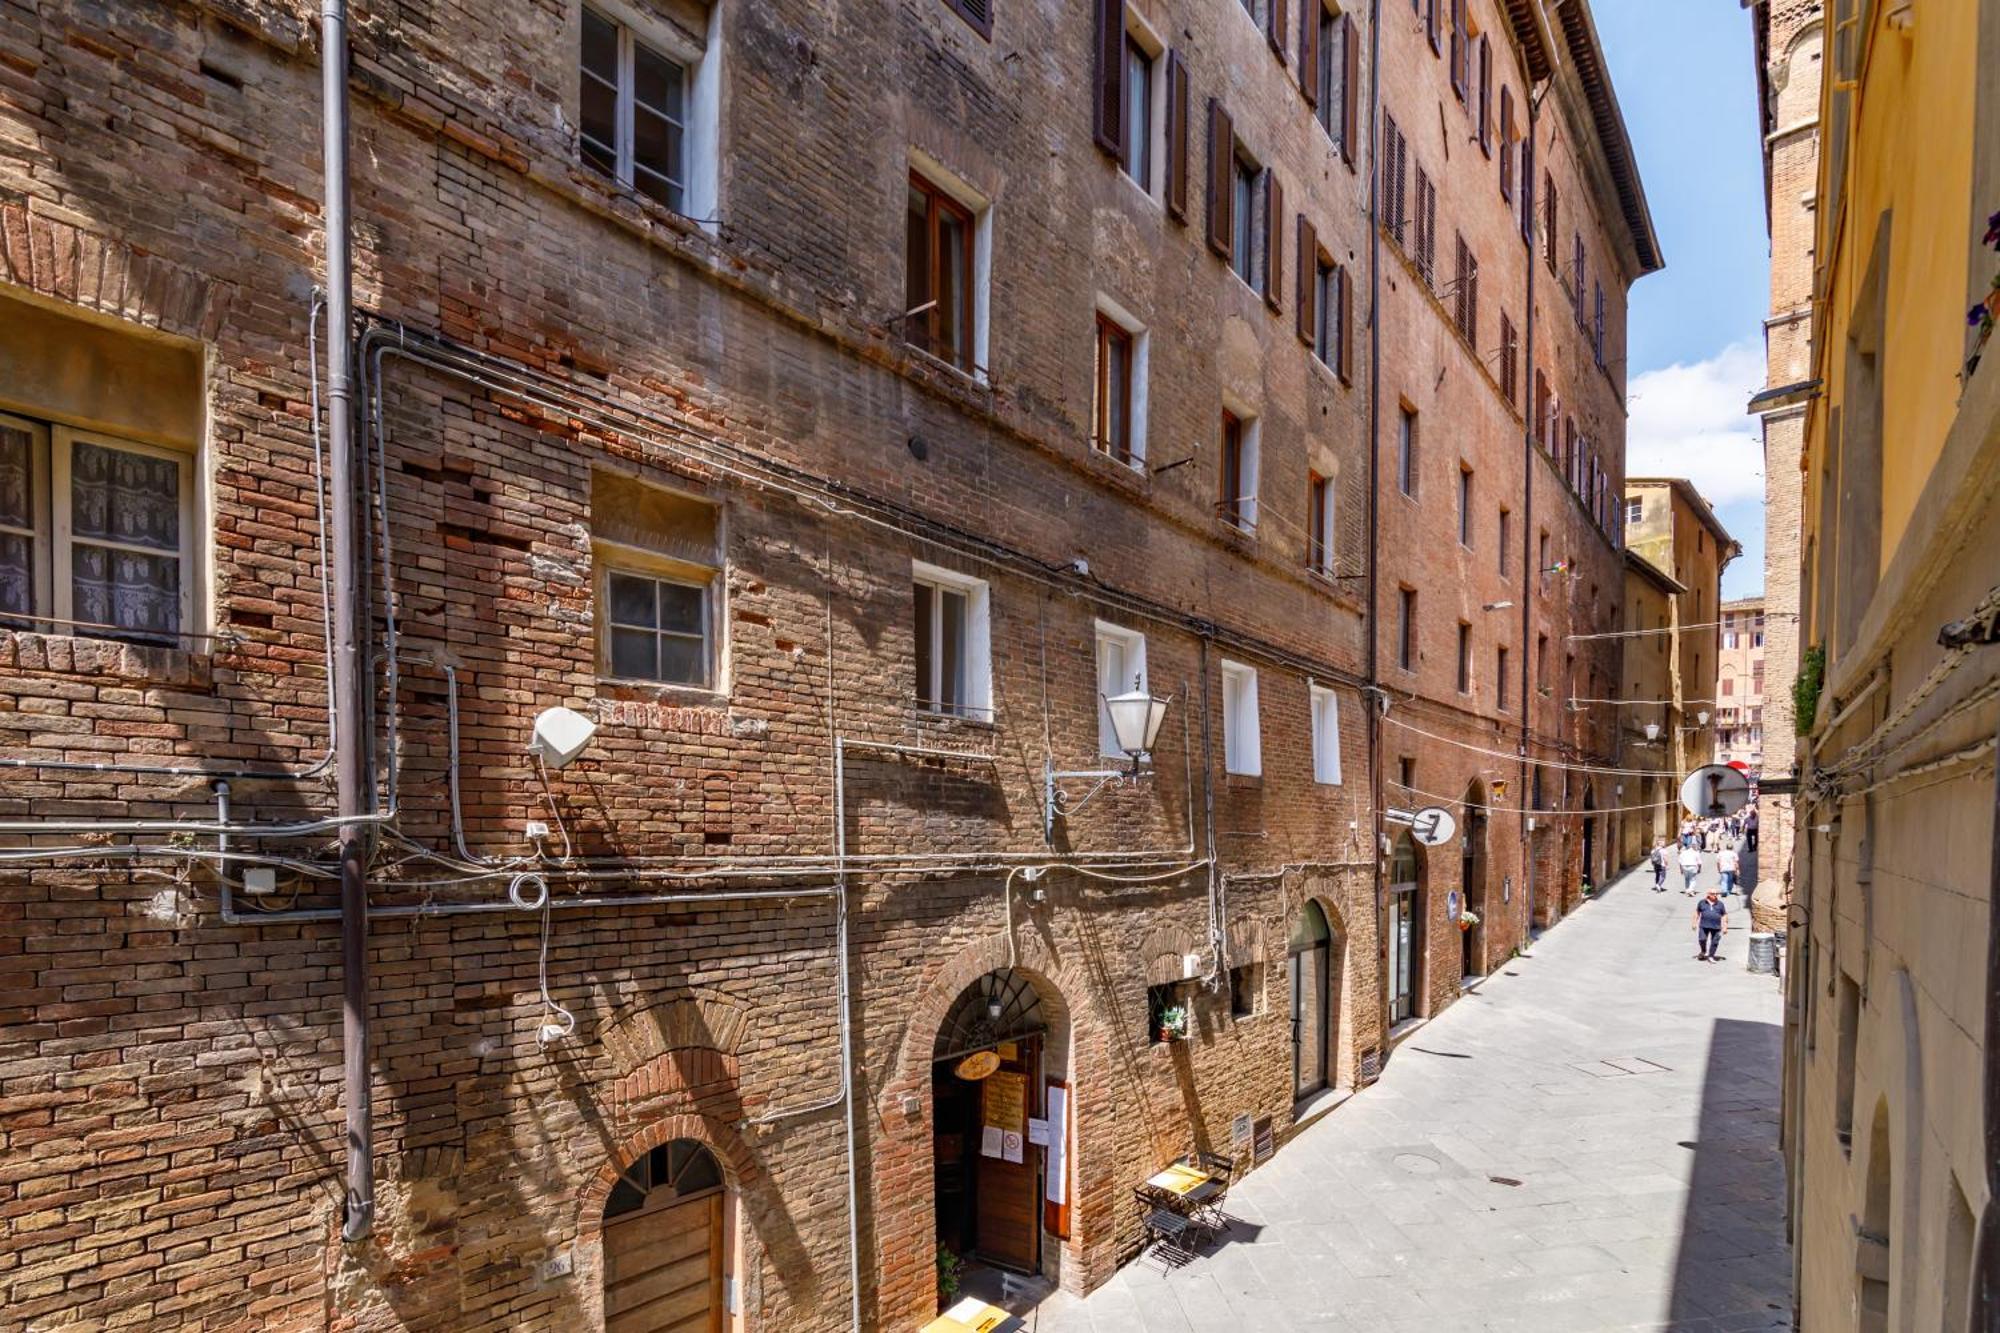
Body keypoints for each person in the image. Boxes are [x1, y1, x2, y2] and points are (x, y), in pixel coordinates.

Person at [1693, 889, 1728, 961]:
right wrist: (1694, 923)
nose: (1715, 895)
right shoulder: (1702, 902)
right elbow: (1697, 912)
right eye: (1713, 893)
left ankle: (1711, 956)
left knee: (1715, 942)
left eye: (1716, 894)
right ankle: (1703, 951)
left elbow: (1724, 915)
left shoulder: (1720, 904)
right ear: (1708, 894)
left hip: (1716, 926)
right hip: (1704, 925)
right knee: (1702, 939)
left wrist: (1725, 927)